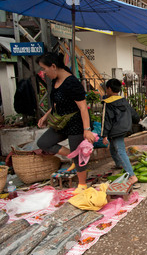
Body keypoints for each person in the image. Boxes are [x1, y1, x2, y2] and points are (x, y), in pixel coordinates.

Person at [36, 52, 96, 191]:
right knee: (44, 143)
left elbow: (83, 108)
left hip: (76, 123)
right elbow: (57, 103)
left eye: (44, 68)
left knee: (79, 158)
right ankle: (73, 155)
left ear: (53, 66)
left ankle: (82, 185)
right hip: (61, 122)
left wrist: (86, 130)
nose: (43, 72)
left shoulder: (72, 83)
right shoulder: (55, 81)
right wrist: (46, 116)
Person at [101, 78, 140, 188]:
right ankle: (119, 164)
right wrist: (138, 121)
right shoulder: (124, 101)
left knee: (120, 150)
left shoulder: (108, 103)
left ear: (108, 89)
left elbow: (106, 120)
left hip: (115, 130)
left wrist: (104, 135)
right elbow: (134, 114)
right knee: (113, 148)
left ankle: (132, 176)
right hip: (125, 128)